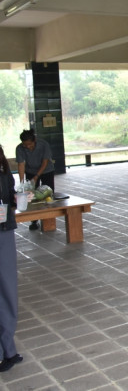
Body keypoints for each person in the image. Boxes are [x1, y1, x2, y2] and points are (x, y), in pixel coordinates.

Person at [0, 145, 22, 372]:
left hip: (4, 232)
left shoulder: (3, 170)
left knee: (7, 293)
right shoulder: (3, 168)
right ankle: (5, 352)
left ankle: (8, 350)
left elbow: (9, 196)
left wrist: (16, 200)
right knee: (5, 293)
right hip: (4, 232)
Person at [15, 130, 55, 230]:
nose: (28, 146)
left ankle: (48, 221)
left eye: (30, 144)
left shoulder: (43, 144)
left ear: (34, 140)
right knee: (31, 196)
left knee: (48, 194)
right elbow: (21, 165)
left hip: (47, 170)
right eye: (25, 145)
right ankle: (34, 221)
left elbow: (45, 162)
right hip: (30, 171)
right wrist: (22, 183)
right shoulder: (19, 148)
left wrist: (36, 176)